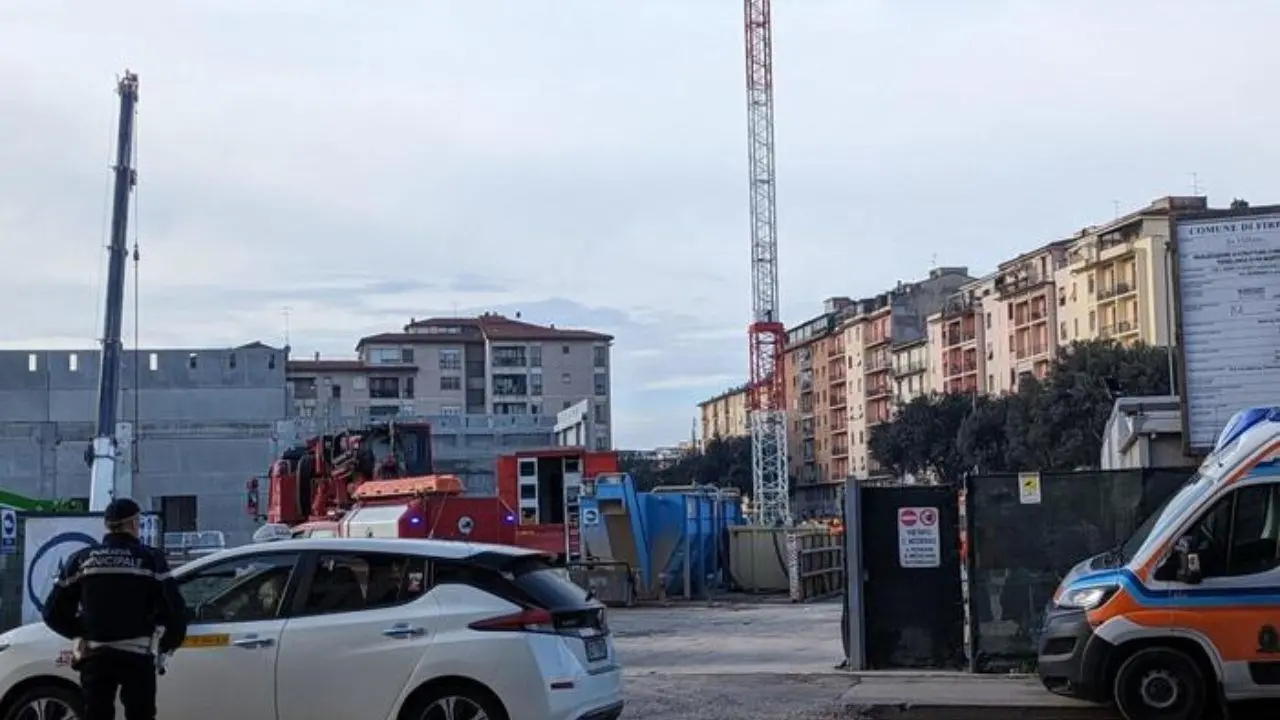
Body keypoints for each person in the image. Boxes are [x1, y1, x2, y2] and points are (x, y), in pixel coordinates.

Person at [42, 498, 188, 720]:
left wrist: (81, 631)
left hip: (95, 655)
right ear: (132, 524)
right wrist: (168, 644)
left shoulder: (81, 559)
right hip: (137, 656)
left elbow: (52, 613)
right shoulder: (150, 559)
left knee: (97, 714)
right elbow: (175, 610)